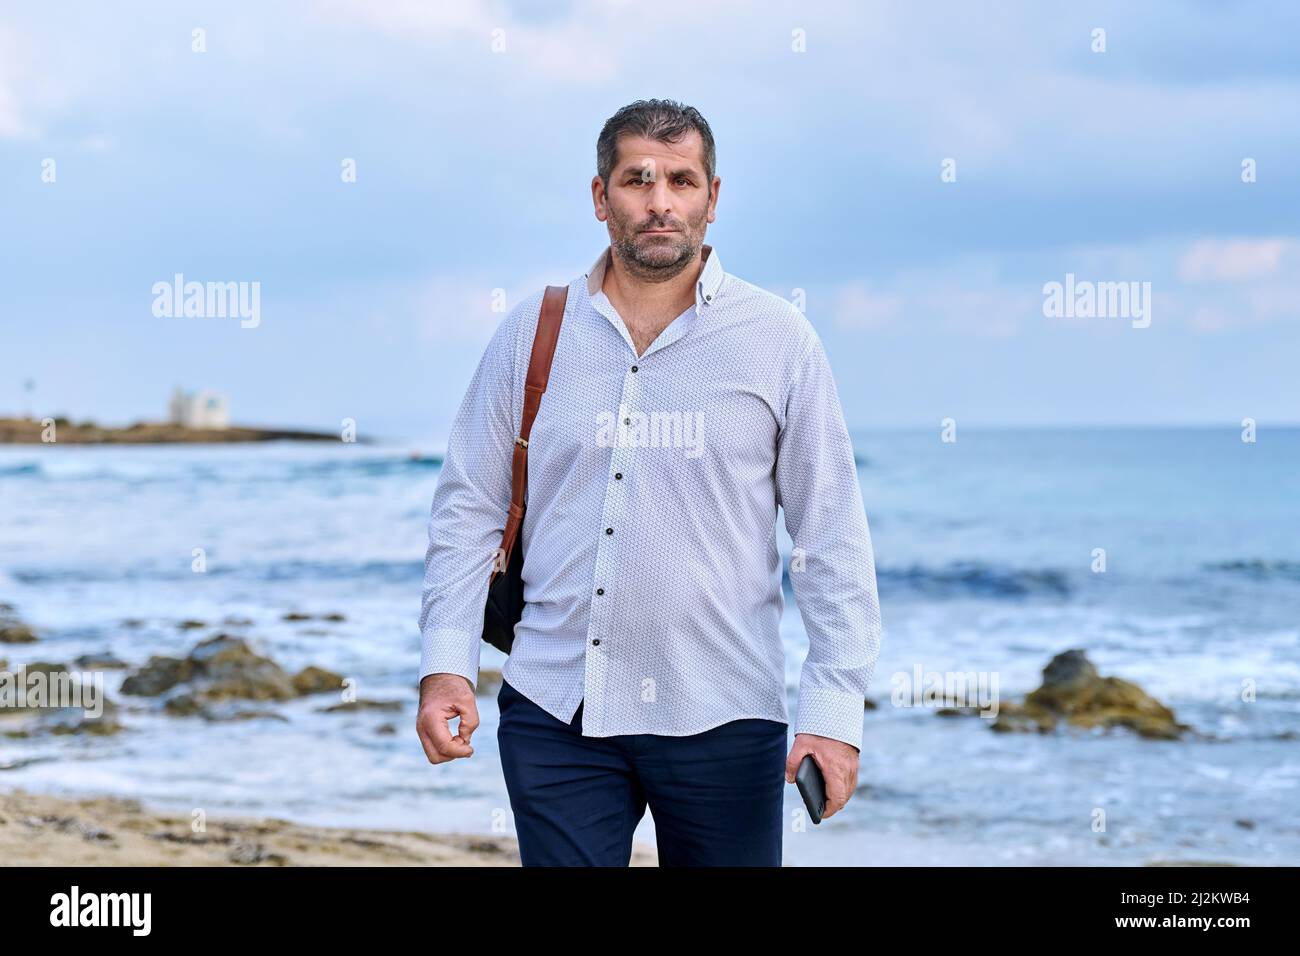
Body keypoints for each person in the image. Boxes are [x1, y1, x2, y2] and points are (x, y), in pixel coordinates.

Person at [416, 98, 882, 866]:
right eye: (636, 179)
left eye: (681, 180)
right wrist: (446, 669)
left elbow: (830, 537)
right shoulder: (533, 331)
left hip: (725, 714)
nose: (659, 201)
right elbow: (469, 507)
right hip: (555, 705)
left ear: (713, 196)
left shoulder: (778, 340)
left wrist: (833, 715)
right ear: (601, 198)